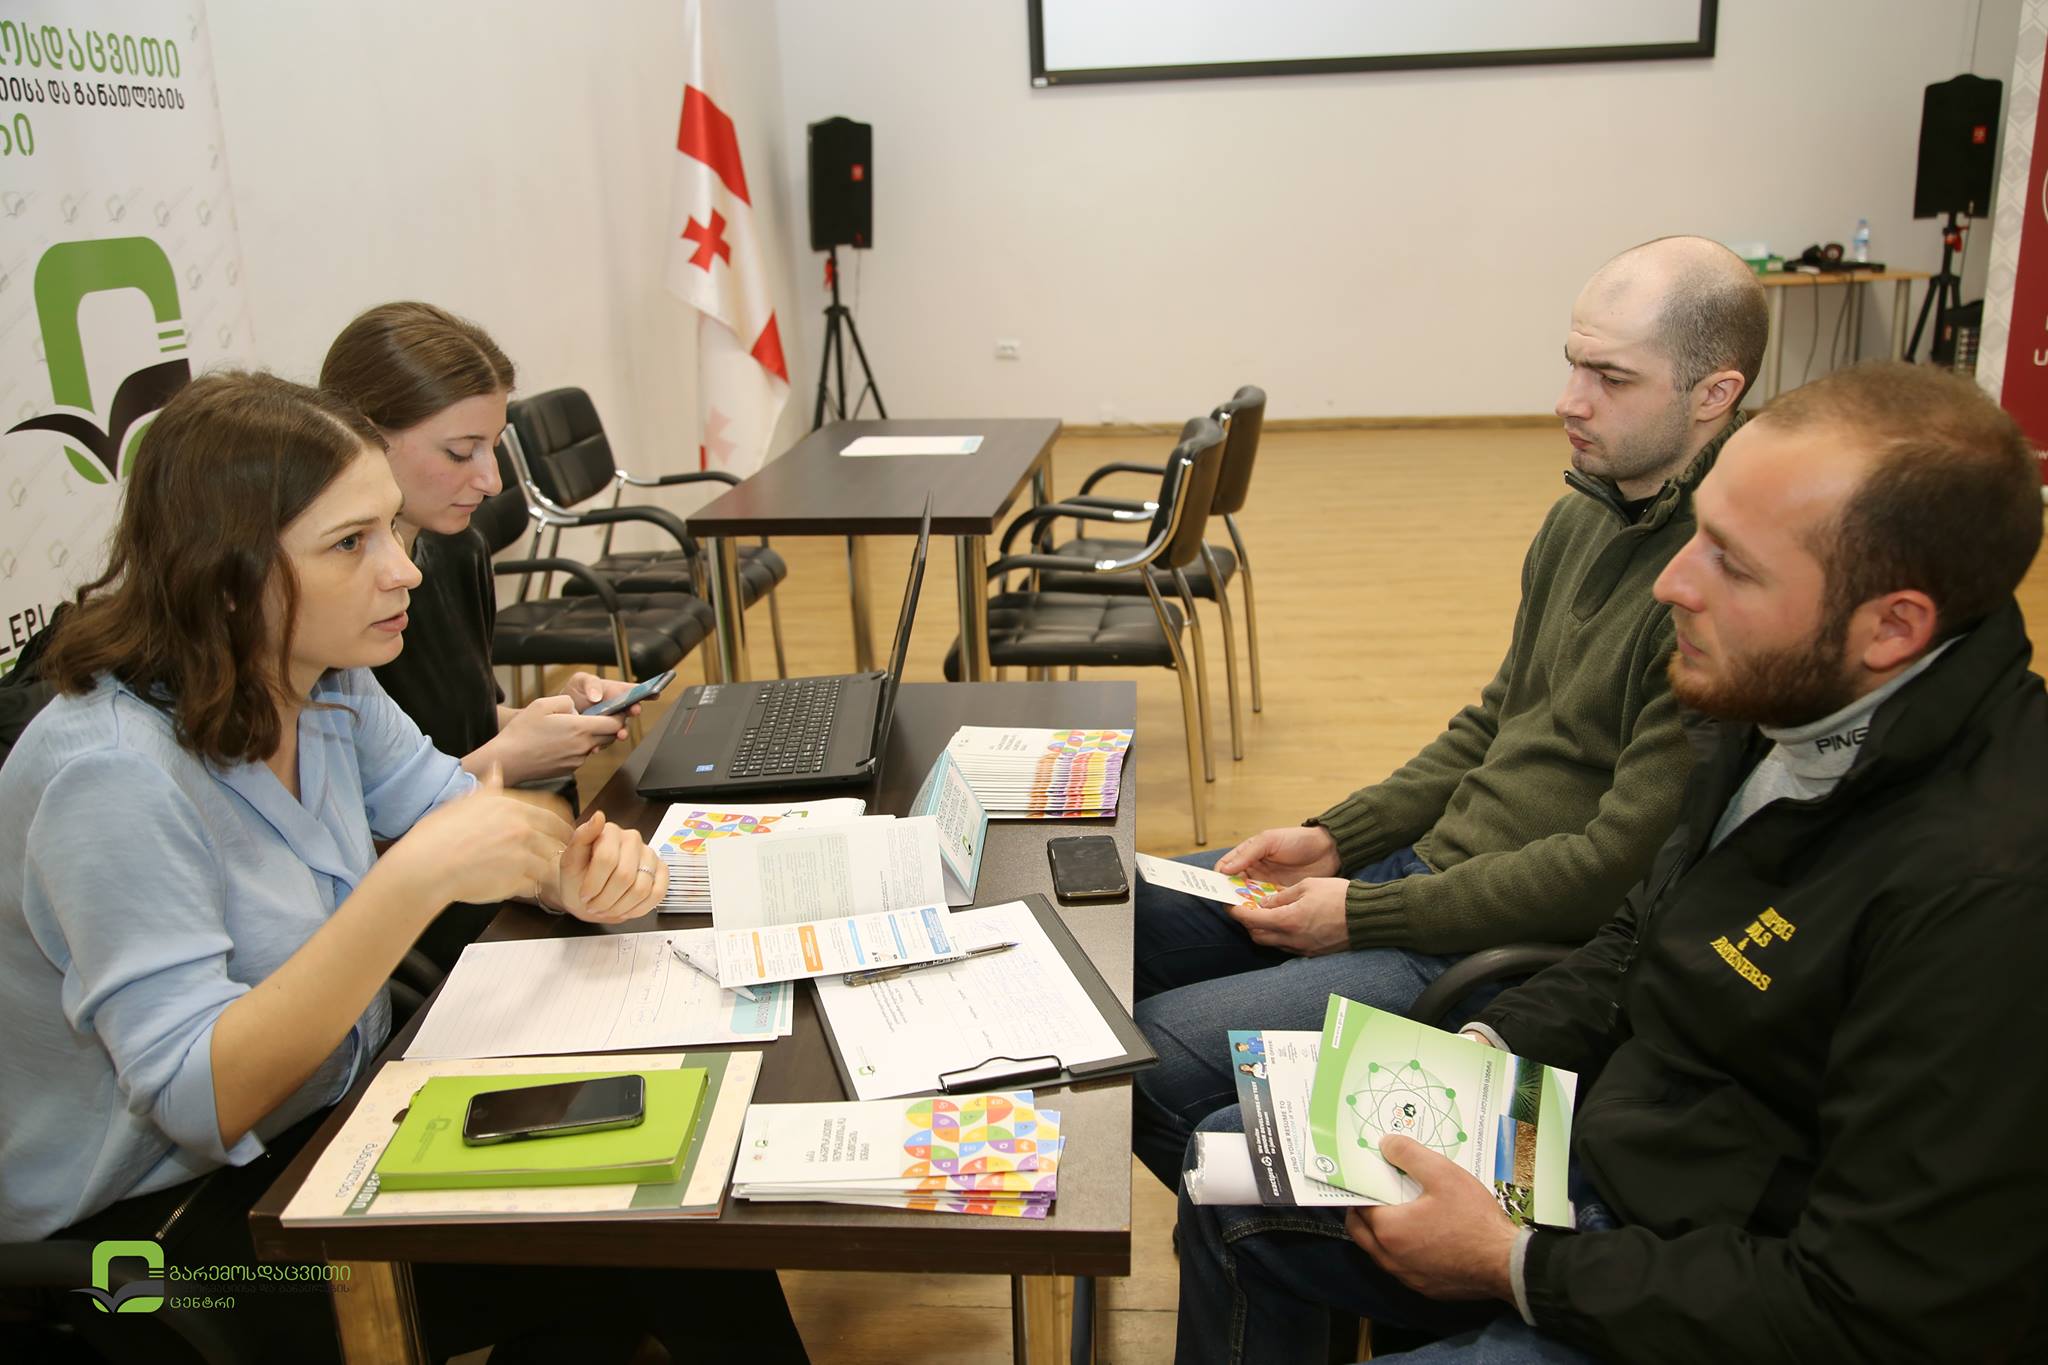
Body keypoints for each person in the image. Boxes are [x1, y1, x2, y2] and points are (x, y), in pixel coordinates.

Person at [1172, 361, 2048, 1363]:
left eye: (1733, 564)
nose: (1674, 583)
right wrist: (1483, 1051)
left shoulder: (1987, 895)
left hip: (1718, 1279)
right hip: (1626, 1161)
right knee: (1230, 1166)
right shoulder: (1789, 696)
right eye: (1696, 535)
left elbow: (1875, 1308)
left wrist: (1511, 1265)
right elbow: (1641, 934)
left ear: (1892, 626)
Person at [0, 372, 806, 1361]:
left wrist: (565, 872)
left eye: (390, 528)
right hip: (157, 1239)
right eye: (351, 544)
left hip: (334, 1114)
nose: (402, 571)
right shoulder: (110, 775)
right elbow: (202, 1102)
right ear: (229, 578)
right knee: (654, 1235)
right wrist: (415, 877)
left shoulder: (323, 677)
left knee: (671, 1186)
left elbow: (459, 814)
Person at [1132, 236, 1769, 1187]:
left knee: (1153, 1060)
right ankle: (1261, 1206)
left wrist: (1370, 913)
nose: (1570, 400)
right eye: (1572, 363)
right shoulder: (1585, 511)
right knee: (1118, 912)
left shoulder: (1712, 587)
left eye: (1611, 378)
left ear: (1715, 393)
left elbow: (1610, 871)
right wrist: (1340, 839)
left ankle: (1276, 1216)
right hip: (1423, 877)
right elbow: (1494, 722)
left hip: (1491, 945)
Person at [319, 300, 636, 789]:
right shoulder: (323, 603)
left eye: (494, 447)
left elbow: (467, 725)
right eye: (461, 452)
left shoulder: (459, 550)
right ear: (364, 436)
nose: (492, 481)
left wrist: (556, 719)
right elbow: (367, 813)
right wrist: (504, 760)